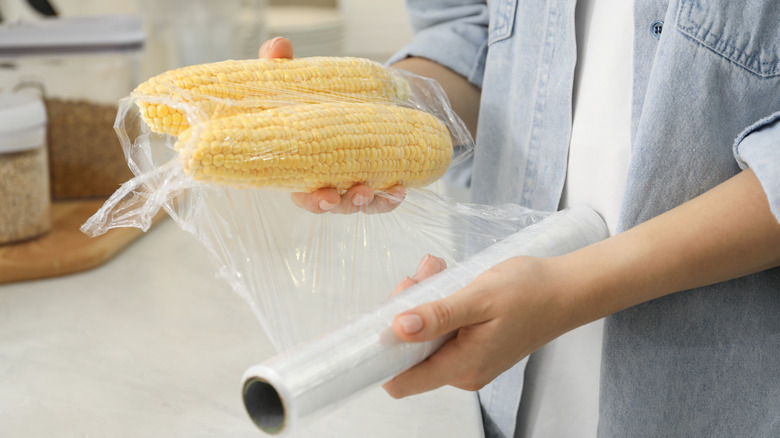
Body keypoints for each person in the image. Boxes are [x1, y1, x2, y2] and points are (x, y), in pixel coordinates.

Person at [259, 0, 780, 436]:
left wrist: (570, 289)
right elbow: (471, 32)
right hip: (513, 388)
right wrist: (382, 116)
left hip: (720, 389)